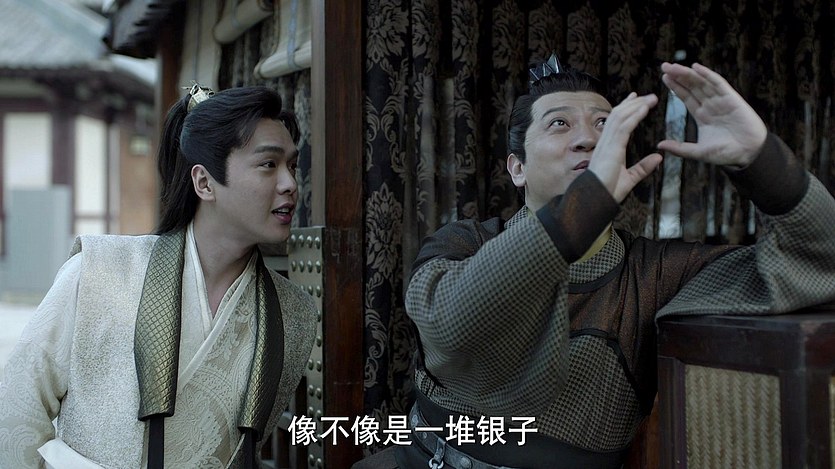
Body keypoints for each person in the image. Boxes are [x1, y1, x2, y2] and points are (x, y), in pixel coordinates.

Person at [355, 56, 835, 469]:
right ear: (517, 168)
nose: (588, 138)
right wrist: (582, 208)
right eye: (559, 124)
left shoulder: (656, 273)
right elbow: (451, 321)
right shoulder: (465, 242)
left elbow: (817, 263)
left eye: (605, 124)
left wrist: (763, 162)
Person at [0, 83, 318, 468]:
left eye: (292, 166)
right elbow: (16, 412)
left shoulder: (294, 315)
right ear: (205, 183)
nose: (290, 184)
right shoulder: (99, 269)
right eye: (269, 164)